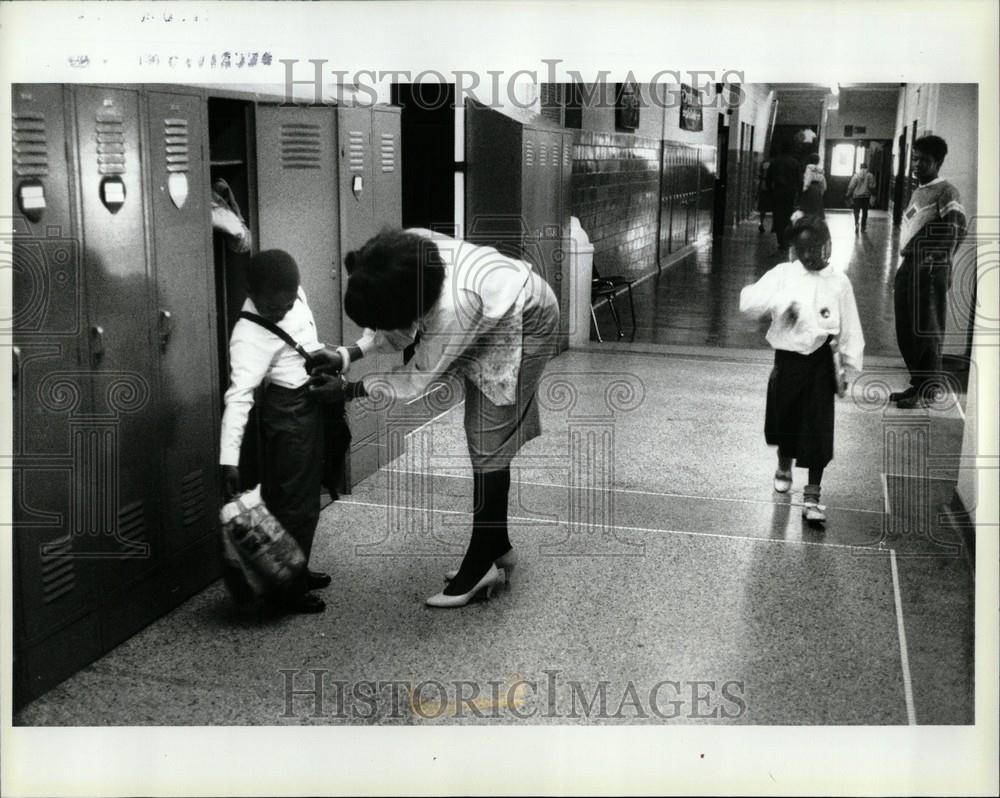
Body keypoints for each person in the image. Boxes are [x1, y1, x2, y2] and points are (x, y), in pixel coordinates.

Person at [312, 228, 560, 608]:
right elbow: (397, 321)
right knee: (485, 442)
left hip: (527, 317)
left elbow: (417, 379)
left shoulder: (454, 308)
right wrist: (348, 355)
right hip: (497, 302)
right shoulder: (405, 252)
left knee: (488, 442)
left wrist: (349, 390)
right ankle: (499, 548)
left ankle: (482, 565)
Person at [219, 250, 344, 613]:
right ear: (252, 293)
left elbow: (303, 332)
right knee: (295, 505)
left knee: (305, 497)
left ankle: (296, 570)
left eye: (287, 304)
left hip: (314, 400)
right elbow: (239, 397)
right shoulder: (247, 335)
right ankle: (288, 591)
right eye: (272, 308)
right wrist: (228, 459)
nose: (281, 312)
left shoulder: (293, 294)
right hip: (288, 412)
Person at [739, 215, 864, 525]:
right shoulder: (784, 275)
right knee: (786, 419)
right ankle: (784, 465)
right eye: (802, 249)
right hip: (788, 360)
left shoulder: (839, 282)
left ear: (829, 246)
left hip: (821, 362)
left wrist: (847, 366)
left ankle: (813, 496)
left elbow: (850, 327)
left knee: (818, 427)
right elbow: (748, 303)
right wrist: (781, 304)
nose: (808, 256)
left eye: (815, 248)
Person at [891, 135, 966, 409]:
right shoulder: (917, 190)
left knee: (926, 330)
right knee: (906, 328)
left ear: (938, 162)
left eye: (924, 160)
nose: (917, 164)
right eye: (915, 158)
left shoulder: (947, 191)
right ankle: (918, 382)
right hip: (909, 266)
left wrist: (934, 260)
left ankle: (927, 389)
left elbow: (957, 228)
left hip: (929, 270)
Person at [766, 143, 803, 252]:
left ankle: (780, 240)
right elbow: (799, 180)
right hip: (790, 192)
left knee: (778, 215)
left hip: (777, 191)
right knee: (788, 216)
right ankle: (787, 239)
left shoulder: (774, 162)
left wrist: (770, 191)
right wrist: (799, 193)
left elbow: (769, 178)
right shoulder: (795, 162)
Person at [845, 162, 876, 232]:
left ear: (860, 168)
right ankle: (863, 227)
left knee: (856, 211)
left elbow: (851, 186)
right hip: (866, 196)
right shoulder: (870, 176)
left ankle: (856, 224)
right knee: (865, 212)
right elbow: (872, 187)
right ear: (867, 168)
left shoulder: (856, 176)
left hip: (857, 196)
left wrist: (848, 194)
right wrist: (874, 194)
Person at [798, 152, 826, 218]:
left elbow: (808, 178)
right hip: (817, 188)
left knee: (808, 207)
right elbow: (823, 182)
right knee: (817, 207)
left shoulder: (809, 168)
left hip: (810, 188)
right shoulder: (820, 170)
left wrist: (804, 189)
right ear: (818, 161)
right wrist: (822, 191)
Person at [757, 158, 771, 233]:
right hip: (769, 187)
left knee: (763, 207)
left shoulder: (765, 163)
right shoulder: (770, 163)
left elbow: (761, 174)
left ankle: (761, 223)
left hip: (764, 187)